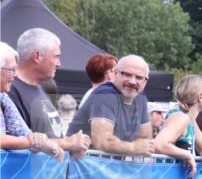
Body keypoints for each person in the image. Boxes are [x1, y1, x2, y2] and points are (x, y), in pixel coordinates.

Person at [8, 28, 90, 157]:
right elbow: (18, 141)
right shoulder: (10, 90)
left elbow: (48, 135)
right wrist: (68, 143)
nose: (59, 63)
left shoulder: (39, 87)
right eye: (56, 56)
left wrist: (72, 148)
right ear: (37, 56)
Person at [67, 54, 156, 156]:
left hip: (107, 163)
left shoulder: (140, 98)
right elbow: (103, 141)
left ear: (146, 80)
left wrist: (136, 147)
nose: (132, 81)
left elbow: (146, 140)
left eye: (139, 77)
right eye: (127, 74)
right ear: (115, 73)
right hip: (82, 162)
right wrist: (133, 147)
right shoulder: (105, 94)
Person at [0, 42, 63, 160]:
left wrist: (41, 142)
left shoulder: (3, 97)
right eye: (11, 70)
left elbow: (22, 131)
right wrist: (33, 142)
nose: (15, 75)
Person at [152, 75, 202, 179]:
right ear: (200, 97)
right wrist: (187, 155)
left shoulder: (189, 119)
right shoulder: (181, 117)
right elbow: (159, 144)